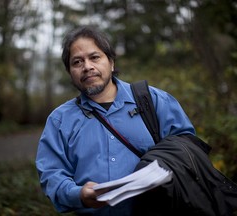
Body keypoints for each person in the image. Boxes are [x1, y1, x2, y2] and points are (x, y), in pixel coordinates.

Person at [35, 26, 196, 216]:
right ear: (70, 72)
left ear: (111, 62)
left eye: (94, 57)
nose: (87, 66)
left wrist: (165, 177)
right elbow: (52, 174)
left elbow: (188, 150)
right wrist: (78, 194)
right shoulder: (59, 120)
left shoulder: (154, 101)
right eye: (77, 62)